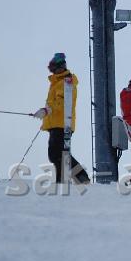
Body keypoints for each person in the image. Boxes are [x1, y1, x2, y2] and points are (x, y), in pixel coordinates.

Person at [33, 53, 90, 184]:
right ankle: (64, 179)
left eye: (53, 68)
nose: (52, 71)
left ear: (60, 67)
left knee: (58, 154)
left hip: (63, 124)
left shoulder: (66, 82)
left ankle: (80, 177)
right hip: (57, 123)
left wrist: (46, 110)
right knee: (58, 154)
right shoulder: (57, 82)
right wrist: (47, 113)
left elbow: (63, 102)